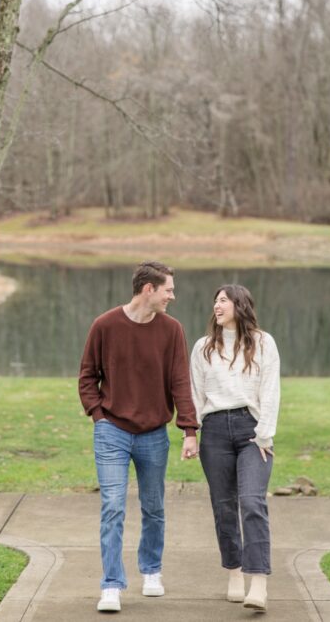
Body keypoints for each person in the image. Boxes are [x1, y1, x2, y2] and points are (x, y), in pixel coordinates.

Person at [78, 260, 199, 613]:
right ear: (149, 289)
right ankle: (112, 585)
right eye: (168, 290)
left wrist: (189, 429)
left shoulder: (172, 330)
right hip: (111, 431)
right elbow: (87, 376)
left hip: (153, 435)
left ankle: (151, 571)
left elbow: (180, 381)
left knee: (154, 507)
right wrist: (98, 416)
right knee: (113, 506)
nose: (172, 296)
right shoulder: (105, 325)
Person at [189, 284, 280, 613]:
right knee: (224, 506)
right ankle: (234, 571)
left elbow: (270, 392)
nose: (217, 305)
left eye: (224, 300)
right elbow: (197, 395)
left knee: (252, 502)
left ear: (240, 305)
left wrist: (264, 435)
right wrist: (195, 433)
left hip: (251, 432)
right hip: (214, 432)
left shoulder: (263, 343)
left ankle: (258, 581)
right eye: (215, 300)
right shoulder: (202, 348)